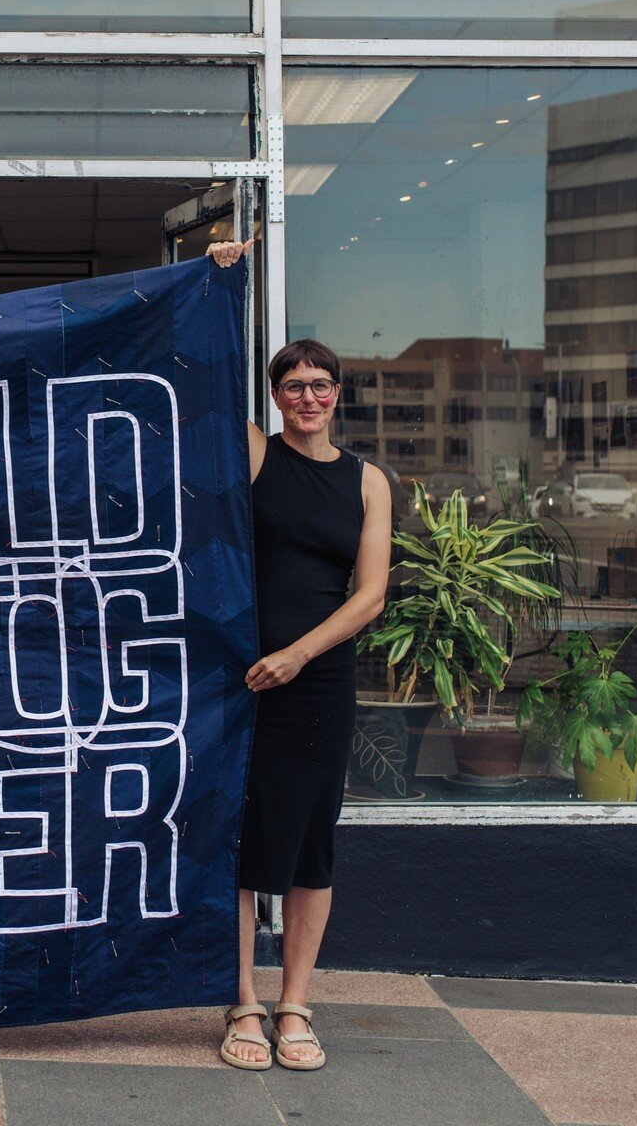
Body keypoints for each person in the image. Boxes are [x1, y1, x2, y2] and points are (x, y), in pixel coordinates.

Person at [206, 239, 392, 1072]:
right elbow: (201, 385)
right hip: (244, 681)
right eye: (293, 385)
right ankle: (242, 1002)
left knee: (312, 845)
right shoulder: (254, 450)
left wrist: (298, 655)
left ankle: (295, 1005)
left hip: (316, 682)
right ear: (277, 397)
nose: (308, 396)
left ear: (337, 394)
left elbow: (370, 595)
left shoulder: (367, 481)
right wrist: (220, 284)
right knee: (245, 844)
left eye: (320, 385)